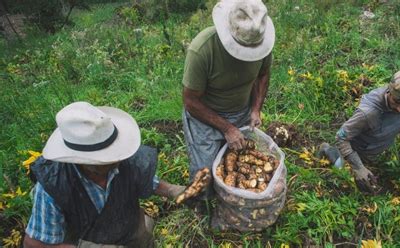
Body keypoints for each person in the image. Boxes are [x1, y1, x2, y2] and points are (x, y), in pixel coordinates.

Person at [23, 102, 208, 248]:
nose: (116, 159)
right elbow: (34, 244)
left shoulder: (124, 159)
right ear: (81, 159)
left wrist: (174, 190)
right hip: (85, 241)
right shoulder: (53, 185)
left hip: (133, 233)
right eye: (106, 158)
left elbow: (147, 181)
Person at [181, 0, 275, 199]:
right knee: (204, 175)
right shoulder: (203, 50)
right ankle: (202, 207)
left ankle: (238, 204)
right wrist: (227, 128)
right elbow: (190, 101)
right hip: (205, 115)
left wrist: (256, 109)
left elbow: (263, 74)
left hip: (242, 110)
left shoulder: (260, 39)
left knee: (243, 160)